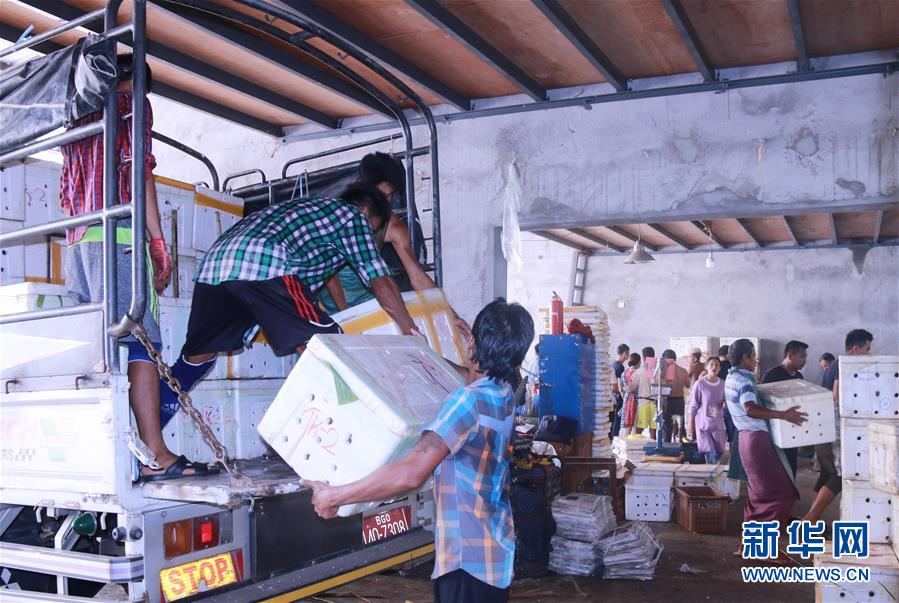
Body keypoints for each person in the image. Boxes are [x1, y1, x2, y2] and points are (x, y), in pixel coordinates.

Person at [153, 185, 421, 480]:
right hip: (262, 263)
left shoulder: (306, 212)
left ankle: (148, 442)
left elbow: (306, 291)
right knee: (328, 350)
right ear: (368, 214)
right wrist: (409, 329)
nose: (369, 239)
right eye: (374, 231)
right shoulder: (353, 217)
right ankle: (351, 455)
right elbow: (379, 278)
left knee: (197, 358)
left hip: (214, 269)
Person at [303, 299, 535, 603]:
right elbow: (474, 376)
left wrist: (336, 495)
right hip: (494, 553)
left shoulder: (466, 402)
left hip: (467, 563)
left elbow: (412, 473)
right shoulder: (502, 393)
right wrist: (429, 355)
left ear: (471, 341)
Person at [60, 54, 184, 481]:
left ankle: (105, 454)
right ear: (139, 83)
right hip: (117, 236)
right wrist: (157, 240)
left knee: (99, 347)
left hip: (77, 241)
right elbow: (138, 173)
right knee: (142, 339)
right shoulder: (132, 105)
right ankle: (155, 454)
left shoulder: (77, 115)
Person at [726, 339, 807, 563]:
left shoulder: (731, 377)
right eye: (753, 356)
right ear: (745, 358)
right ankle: (764, 548)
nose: (756, 360)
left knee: (758, 494)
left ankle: (748, 544)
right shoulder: (744, 381)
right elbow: (750, 409)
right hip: (756, 440)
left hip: (745, 439)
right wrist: (784, 415)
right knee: (781, 494)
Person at [320, 152, 431, 313]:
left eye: (388, 196)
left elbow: (417, 276)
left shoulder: (391, 225)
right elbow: (329, 275)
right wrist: (346, 314)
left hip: (369, 304)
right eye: (377, 195)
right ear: (358, 186)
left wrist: (450, 314)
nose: (382, 203)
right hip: (329, 308)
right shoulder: (332, 218)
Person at [803, 329, 874, 524]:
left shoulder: (835, 365)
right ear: (855, 348)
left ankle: (810, 519)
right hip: (834, 429)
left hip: (823, 427)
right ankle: (810, 519)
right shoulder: (844, 364)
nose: (869, 354)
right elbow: (837, 395)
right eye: (867, 349)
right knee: (839, 475)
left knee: (827, 473)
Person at [761, 340, 809, 477]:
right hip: (774, 435)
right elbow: (762, 407)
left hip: (792, 433)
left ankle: (789, 497)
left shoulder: (799, 377)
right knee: (775, 471)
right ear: (790, 355)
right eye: (802, 356)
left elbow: (802, 404)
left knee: (790, 469)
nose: (804, 360)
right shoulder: (772, 376)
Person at [689, 356, 727, 463]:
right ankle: (711, 477)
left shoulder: (723, 384)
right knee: (711, 454)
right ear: (707, 367)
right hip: (704, 425)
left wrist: (725, 403)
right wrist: (691, 426)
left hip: (718, 424)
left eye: (717, 365)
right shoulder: (700, 384)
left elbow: (726, 399)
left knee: (719, 452)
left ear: (720, 368)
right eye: (711, 364)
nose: (714, 367)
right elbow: (693, 406)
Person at [628, 347, 658, 439]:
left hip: (643, 403)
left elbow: (631, 387)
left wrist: (623, 387)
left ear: (644, 358)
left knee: (638, 431)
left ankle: (639, 451)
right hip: (655, 404)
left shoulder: (639, 371)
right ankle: (653, 450)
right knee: (653, 431)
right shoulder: (658, 371)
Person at [661, 349, 690, 443]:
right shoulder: (683, 371)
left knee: (667, 427)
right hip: (679, 400)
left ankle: (667, 448)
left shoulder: (664, 372)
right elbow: (688, 384)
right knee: (680, 425)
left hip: (667, 400)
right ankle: (683, 449)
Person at [610, 344, 630, 437]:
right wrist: (624, 397)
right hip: (618, 397)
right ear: (625, 353)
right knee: (617, 421)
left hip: (612, 398)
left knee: (612, 420)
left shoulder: (613, 364)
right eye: (628, 354)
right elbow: (620, 385)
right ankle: (614, 439)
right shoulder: (620, 367)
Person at [622, 353, 641, 435]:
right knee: (636, 423)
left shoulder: (624, 372)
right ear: (638, 362)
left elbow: (623, 386)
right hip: (636, 397)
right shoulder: (638, 372)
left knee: (628, 421)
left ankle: (626, 441)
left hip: (627, 398)